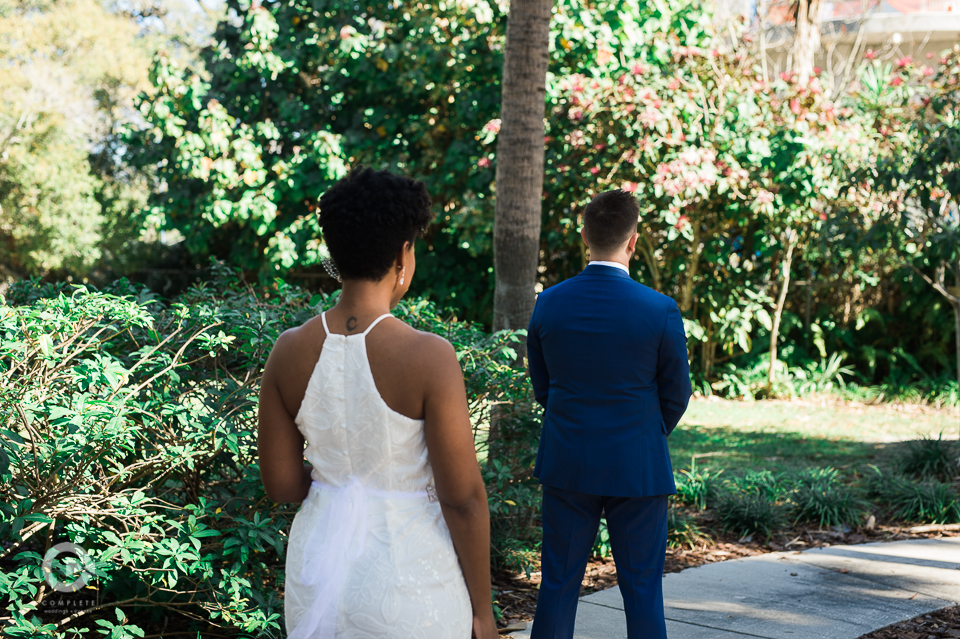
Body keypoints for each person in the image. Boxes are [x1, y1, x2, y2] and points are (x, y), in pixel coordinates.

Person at [257, 167, 498, 639]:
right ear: (403, 254)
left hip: (318, 576)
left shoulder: (287, 351)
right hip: (409, 581)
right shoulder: (429, 356)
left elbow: (282, 485)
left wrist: (340, 485)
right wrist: (483, 613)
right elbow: (463, 498)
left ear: (334, 253)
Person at [526, 189, 692, 639]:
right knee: (643, 590)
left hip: (568, 461)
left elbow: (544, 387)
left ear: (584, 236)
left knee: (558, 585)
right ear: (633, 241)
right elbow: (677, 392)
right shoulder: (659, 309)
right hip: (638, 466)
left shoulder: (549, 303)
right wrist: (645, 432)